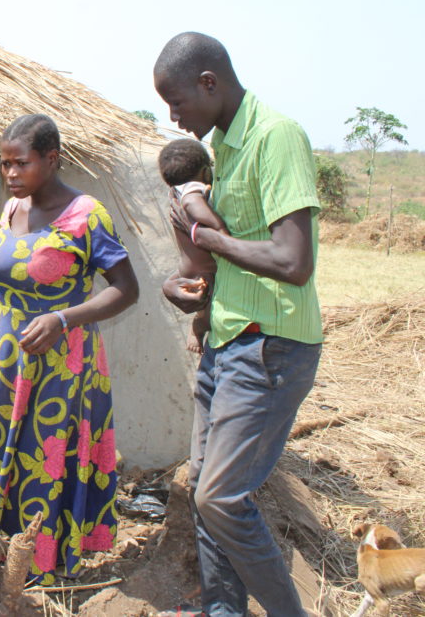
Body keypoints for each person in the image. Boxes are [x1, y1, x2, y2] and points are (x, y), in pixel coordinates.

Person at [0, 114, 139, 586]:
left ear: (51, 159)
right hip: (5, 360)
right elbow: (6, 292)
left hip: (63, 365)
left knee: (43, 459)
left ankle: (33, 563)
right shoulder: (9, 212)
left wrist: (64, 318)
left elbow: (126, 290)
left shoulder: (86, 215)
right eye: (4, 165)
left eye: (21, 163)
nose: (11, 174)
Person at [153, 32, 323, 617]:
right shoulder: (218, 150)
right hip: (226, 342)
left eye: (177, 103)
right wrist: (190, 293)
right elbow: (219, 260)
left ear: (210, 82)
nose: (173, 117)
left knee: (222, 497)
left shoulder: (275, 136)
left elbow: (292, 262)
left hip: (271, 345)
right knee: (205, 496)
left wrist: (209, 237)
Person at [157, 138, 229, 353]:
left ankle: (200, 324)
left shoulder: (176, 191)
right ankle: (198, 327)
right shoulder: (191, 188)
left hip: (189, 266)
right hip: (201, 268)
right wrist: (220, 227)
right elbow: (193, 204)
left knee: (205, 302)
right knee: (207, 306)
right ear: (206, 171)